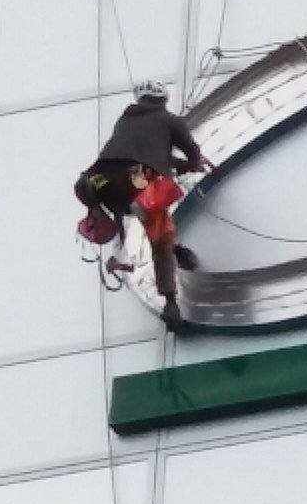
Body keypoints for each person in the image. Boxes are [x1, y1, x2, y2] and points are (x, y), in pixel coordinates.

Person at [74, 83, 211, 328]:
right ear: (163, 101)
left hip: (98, 181)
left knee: (123, 207)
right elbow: (190, 152)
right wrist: (193, 163)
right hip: (138, 180)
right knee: (160, 234)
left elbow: (149, 154)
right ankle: (170, 303)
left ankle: (105, 221)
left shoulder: (125, 120)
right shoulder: (170, 120)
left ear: (141, 100)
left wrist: (179, 164)